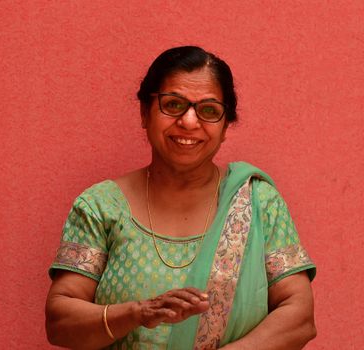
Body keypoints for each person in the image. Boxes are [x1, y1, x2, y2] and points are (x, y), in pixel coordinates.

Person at [45, 46, 316, 349]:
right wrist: (138, 313)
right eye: (173, 105)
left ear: (226, 126)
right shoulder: (101, 206)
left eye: (209, 110)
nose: (189, 122)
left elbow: (299, 315)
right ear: (144, 113)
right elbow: (60, 323)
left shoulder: (257, 202)